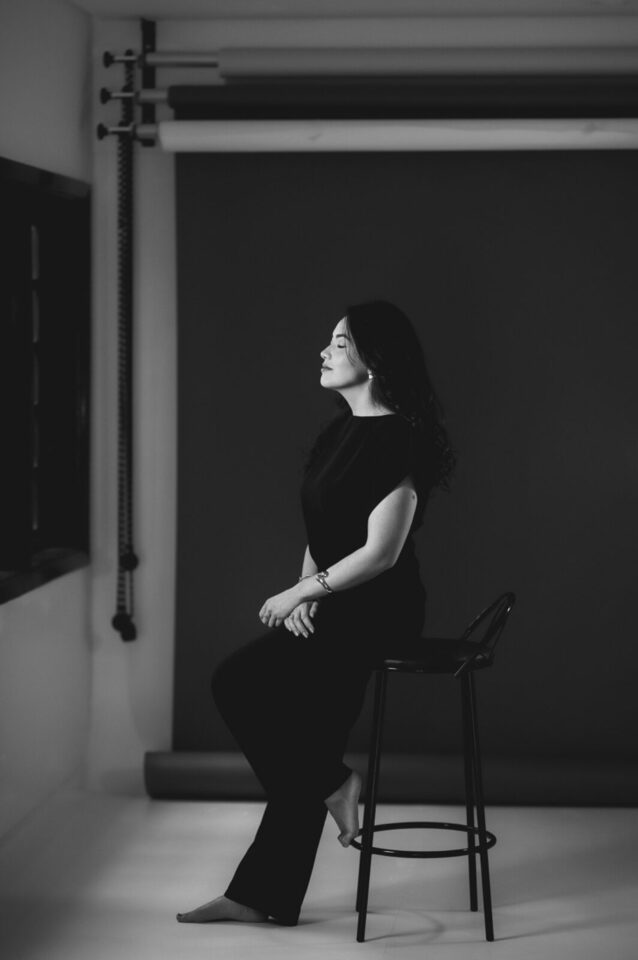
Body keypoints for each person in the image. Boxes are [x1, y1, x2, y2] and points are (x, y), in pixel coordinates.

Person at [176, 299, 455, 927]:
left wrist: (306, 593)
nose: (324, 352)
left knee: (239, 684)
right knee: (307, 733)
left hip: (381, 610)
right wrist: (306, 588)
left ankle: (328, 787)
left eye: (339, 343)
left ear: (373, 360)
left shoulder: (401, 438)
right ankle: (266, 887)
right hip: (335, 601)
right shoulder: (338, 433)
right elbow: (323, 528)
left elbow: (381, 553)